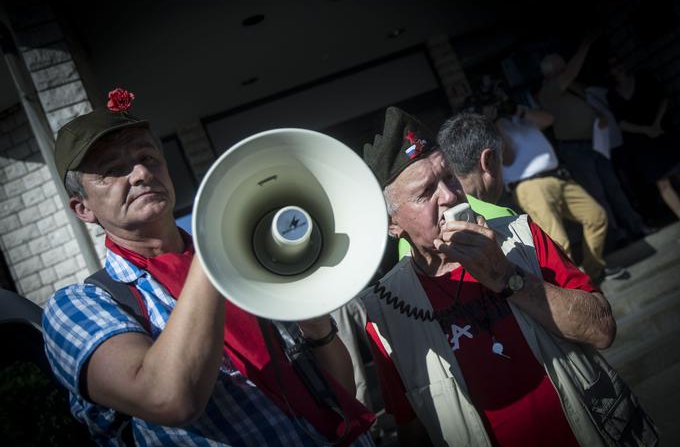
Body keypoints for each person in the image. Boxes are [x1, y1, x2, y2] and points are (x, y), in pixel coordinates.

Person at [42, 88, 375, 446]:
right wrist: (217, 244)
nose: (140, 172)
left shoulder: (243, 257)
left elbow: (337, 387)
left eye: (148, 157)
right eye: (112, 170)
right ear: (83, 209)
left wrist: (317, 328)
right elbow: (168, 398)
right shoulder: (77, 306)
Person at [359, 106, 657, 446]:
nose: (451, 196)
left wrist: (505, 275)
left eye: (450, 177)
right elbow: (412, 425)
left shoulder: (521, 235)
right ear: (392, 224)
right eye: (426, 193)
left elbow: (602, 330)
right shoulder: (386, 310)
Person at [444, 107, 609, 282]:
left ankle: (590, 276)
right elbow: (508, 157)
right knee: (559, 243)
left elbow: (549, 119)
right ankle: (574, 285)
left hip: (557, 176)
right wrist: (495, 123)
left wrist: (516, 110)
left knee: (597, 216)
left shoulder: (520, 116)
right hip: (530, 185)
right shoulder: (490, 133)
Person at [538, 35, 648, 250]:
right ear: (551, 71)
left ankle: (636, 226)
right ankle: (616, 236)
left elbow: (588, 104)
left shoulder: (574, 87)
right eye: (561, 67)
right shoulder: (549, 89)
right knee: (596, 192)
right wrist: (585, 44)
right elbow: (570, 74)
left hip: (595, 142)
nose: (565, 70)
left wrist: (599, 116)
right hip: (574, 149)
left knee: (613, 187)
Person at [607, 58, 680, 220]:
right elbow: (621, 123)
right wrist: (646, 130)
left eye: (618, 63)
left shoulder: (643, 78)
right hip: (642, 142)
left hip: (662, 131)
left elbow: (663, 98)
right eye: (612, 67)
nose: (617, 68)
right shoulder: (612, 94)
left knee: (677, 172)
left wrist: (656, 124)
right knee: (662, 183)